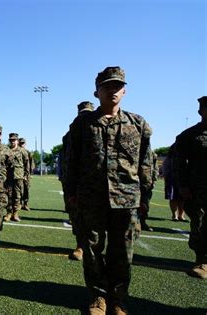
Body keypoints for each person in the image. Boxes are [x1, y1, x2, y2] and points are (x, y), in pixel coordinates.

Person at [66, 66, 152, 315]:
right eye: (107, 86)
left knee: (122, 252)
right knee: (92, 250)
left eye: (117, 86)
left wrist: (144, 197)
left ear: (124, 91)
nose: (112, 90)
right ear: (97, 92)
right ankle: (97, 297)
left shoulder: (137, 123)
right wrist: (72, 193)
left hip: (126, 200)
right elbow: (72, 160)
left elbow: (146, 163)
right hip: (91, 199)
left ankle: (117, 299)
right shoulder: (83, 123)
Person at [174, 96, 207, 279]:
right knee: (201, 225)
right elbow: (179, 164)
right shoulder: (188, 136)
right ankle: (202, 259)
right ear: (201, 111)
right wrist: (183, 186)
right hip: (199, 189)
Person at [60, 101, 94, 261]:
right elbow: (67, 159)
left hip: (98, 182)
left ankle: (93, 247)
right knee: (77, 215)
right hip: (76, 182)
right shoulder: (70, 133)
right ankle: (80, 245)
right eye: (82, 114)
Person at [4, 133, 28, 222]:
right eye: (11, 140)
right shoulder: (6, 150)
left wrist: (26, 175)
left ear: (17, 140)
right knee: (9, 195)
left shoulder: (22, 151)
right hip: (8, 176)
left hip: (19, 176)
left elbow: (26, 164)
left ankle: (15, 213)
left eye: (14, 140)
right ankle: (9, 212)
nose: (12, 142)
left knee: (17, 196)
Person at [162, 144, 186, 221]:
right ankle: (174, 215)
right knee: (173, 198)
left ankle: (181, 215)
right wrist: (166, 179)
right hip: (171, 180)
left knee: (183, 199)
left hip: (183, 180)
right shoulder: (169, 158)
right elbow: (165, 169)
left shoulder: (186, 158)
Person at [19, 137, 33, 211]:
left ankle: (26, 204)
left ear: (25, 144)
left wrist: (29, 174)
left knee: (26, 189)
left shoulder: (28, 152)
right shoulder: (16, 151)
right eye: (20, 143)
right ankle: (20, 203)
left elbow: (31, 164)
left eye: (23, 143)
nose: (22, 145)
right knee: (19, 189)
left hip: (26, 174)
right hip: (18, 174)